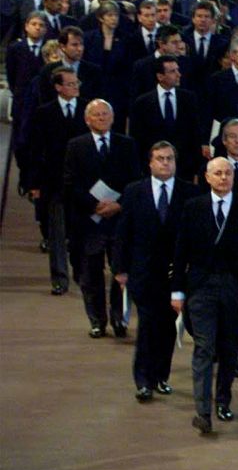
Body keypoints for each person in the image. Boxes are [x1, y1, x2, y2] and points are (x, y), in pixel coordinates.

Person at [170, 156, 238, 433]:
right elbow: (180, 250)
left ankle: (223, 400)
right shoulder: (193, 208)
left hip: (236, 289)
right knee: (204, 347)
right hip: (201, 287)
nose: (223, 178)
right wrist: (177, 290)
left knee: (229, 348)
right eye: (218, 173)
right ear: (207, 177)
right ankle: (203, 411)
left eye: (228, 173)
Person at [115, 141, 197, 401]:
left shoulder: (189, 192)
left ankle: (161, 376)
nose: (165, 163)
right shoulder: (134, 191)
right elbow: (123, 232)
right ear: (150, 162)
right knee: (148, 326)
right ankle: (143, 380)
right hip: (144, 272)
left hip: (175, 274)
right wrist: (120, 268)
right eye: (160, 158)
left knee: (169, 328)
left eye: (170, 158)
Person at [63, 100, 142, 337]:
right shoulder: (76, 146)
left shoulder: (126, 145)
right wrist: (94, 205)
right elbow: (69, 183)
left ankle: (119, 319)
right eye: (96, 115)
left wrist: (118, 205)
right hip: (89, 220)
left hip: (119, 219)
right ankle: (97, 320)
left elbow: (135, 180)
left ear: (113, 117)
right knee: (91, 273)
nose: (102, 118)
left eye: (106, 114)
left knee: (121, 272)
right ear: (87, 119)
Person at [31, 67, 89, 294]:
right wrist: (34, 184)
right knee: (57, 233)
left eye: (77, 83)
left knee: (80, 233)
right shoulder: (44, 112)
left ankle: (80, 274)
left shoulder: (88, 110)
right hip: (54, 182)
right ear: (58, 87)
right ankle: (59, 278)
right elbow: (36, 150)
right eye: (71, 84)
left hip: (83, 183)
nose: (76, 87)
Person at [128, 55, 204, 182]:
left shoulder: (189, 98)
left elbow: (195, 134)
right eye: (172, 71)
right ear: (160, 76)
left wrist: (196, 168)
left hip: (184, 169)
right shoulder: (142, 103)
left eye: (178, 70)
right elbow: (137, 138)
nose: (178, 74)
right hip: (152, 170)